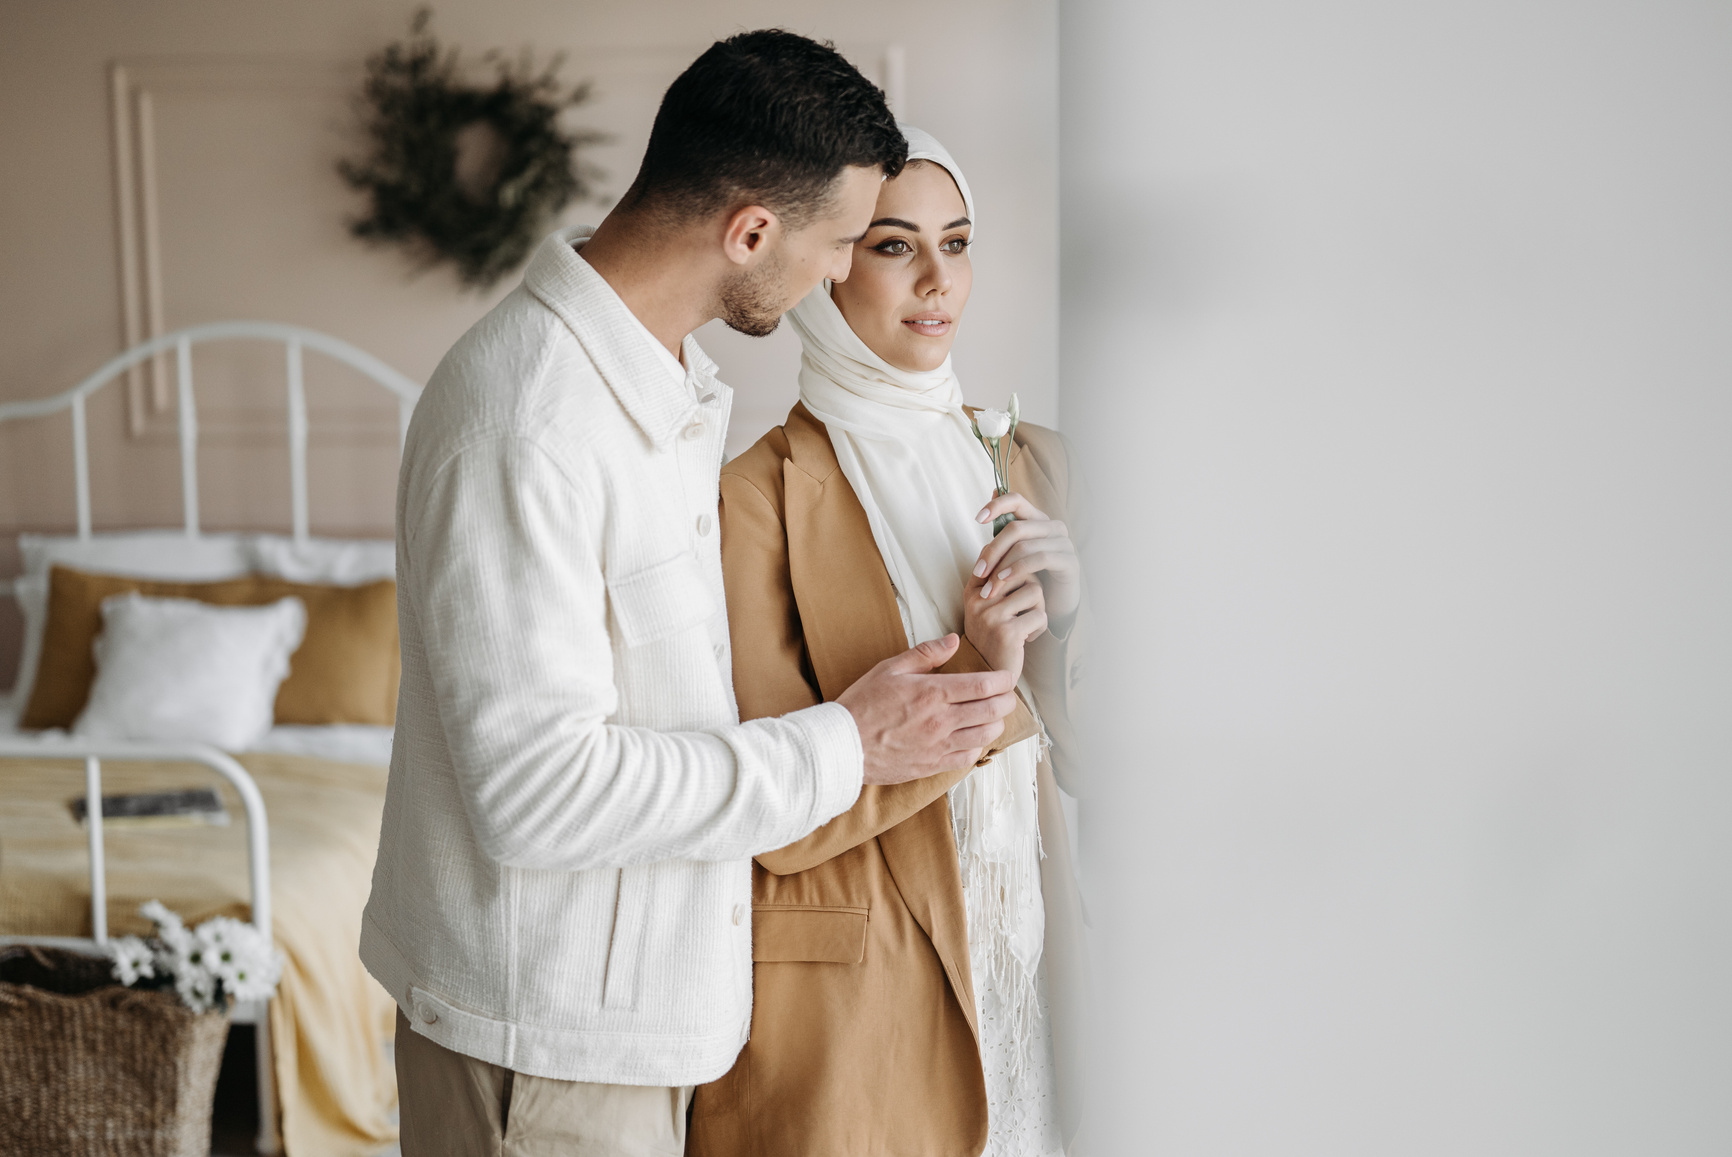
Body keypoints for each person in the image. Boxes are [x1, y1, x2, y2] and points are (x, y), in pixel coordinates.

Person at [361, 39, 1024, 1157]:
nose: (832, 277)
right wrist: (848, 743)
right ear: (751, 230)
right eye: (836, 246)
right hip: (548, 1049)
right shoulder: (529, 421)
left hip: (637, 1035)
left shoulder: (655, 385)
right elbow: (536, 790)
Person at [689, 128, 1088, 1157]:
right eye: (892, 245)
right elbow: (770, 813)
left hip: (1034, 971)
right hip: (867, 1007)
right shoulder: (755, 498)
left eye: (955, 244)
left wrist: (1070, 628)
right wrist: (981, 669)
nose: (935, 281)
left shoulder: (1033, 462)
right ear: (827, 269)